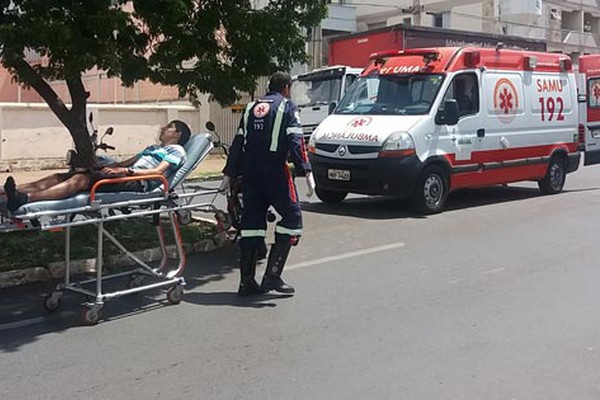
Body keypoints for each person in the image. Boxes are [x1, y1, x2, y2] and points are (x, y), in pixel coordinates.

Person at [220, 71, 315, 297]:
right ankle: (272, 276)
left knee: (251, 226)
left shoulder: (251, 107)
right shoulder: (287, 106)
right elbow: (296, 139)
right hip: (276, 172)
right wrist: (307, 170)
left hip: (250, 174)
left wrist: (229, 173)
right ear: (286, 89)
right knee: (292, 219)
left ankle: (247, 282)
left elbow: (238, 142)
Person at [2, 120, 191, 212]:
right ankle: (9, 192)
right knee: (61, 177)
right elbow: (124, 163)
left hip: (138, 182)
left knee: (80, 180)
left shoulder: (176, 151)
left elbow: (158, 172)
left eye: (169, 127)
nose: (164, 128)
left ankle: (25, 199)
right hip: (125, 174)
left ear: (177, 135)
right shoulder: (153, 147)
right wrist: (101, 166)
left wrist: (125, 171)